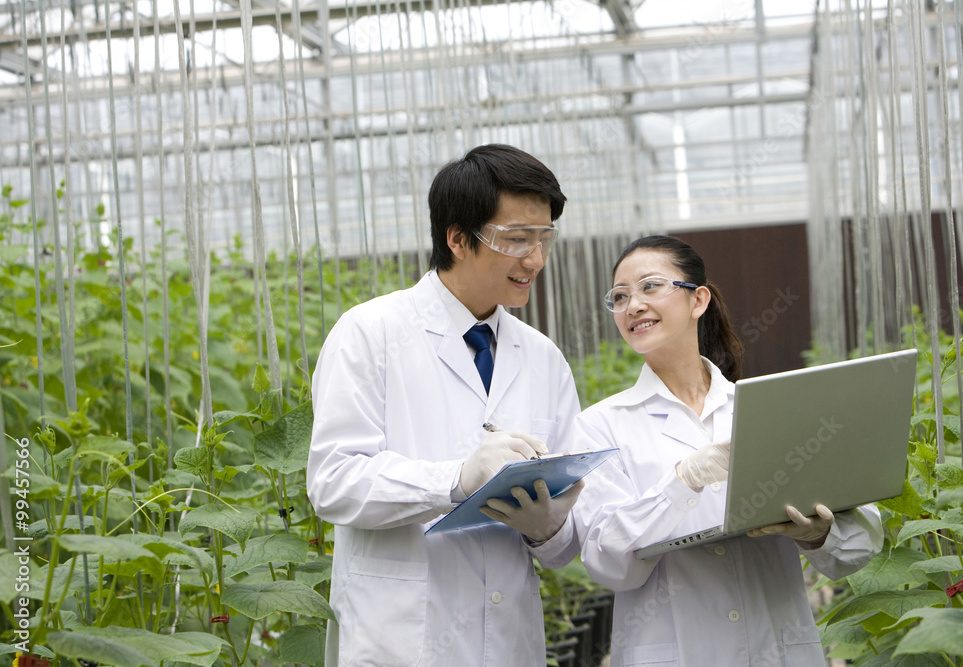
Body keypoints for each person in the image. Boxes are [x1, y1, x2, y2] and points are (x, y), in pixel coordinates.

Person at [306, 144, 584, 666]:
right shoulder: (370, 334)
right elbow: (334, 483)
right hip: (400, 641)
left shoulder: (543, 359)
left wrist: (548, 528)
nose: (535, 260)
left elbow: (567, 540)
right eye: (517, 240)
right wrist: (455, 481)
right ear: (457, 238)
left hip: (508, 643)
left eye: (544, 239)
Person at [564, 235, 883, 666]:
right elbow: (606, 562)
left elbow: (860, 546)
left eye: (650, 286)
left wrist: (818, 534)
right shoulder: (599, 426)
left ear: (698, 300)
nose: (633, 304)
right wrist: (681, 483)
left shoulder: (773, 409)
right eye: (619, 296)